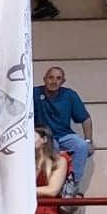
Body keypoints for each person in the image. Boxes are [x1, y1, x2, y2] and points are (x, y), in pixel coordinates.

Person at [34, 65, 94, 194]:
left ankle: (72, 183)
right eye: (51, 77)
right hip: (45, 136)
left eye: (58, 78)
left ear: (63, 81)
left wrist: (89, 141)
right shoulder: (34, 93)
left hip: (64, 135)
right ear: (44, 79)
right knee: (52, 147)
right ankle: (53, 183)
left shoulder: (69, 95)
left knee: (81, 145)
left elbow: (85, 119)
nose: (54, 81)